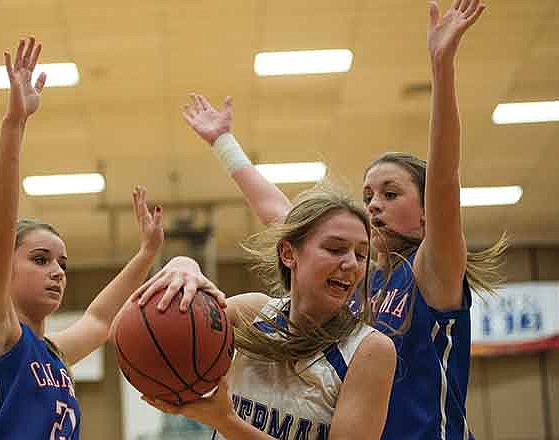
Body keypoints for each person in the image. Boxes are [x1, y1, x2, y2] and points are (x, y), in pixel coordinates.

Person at [140, 1, 506, 438]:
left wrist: (441, 66)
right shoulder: (355, 279)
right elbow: (285, 218)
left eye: (391, 194)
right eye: (368, 195)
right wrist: (224, 144)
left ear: (428, 213)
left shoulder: (431, 273)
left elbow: (444, 178)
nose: (373, 205)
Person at [0, 37, 166, 440]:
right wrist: (14, 124)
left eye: (62, 264)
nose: (57, 273)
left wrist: (146, 253)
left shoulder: (51, 354)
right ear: (5, 269)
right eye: (41, 259)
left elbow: (100, 321)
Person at [131, 182, 395, 440]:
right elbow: (130, 328)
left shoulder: (369, 350)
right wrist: (184, 264)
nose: (351, 263)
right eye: (335, 249)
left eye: (361, 255)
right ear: (288, 254)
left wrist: (227, 423)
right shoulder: (252, 313)